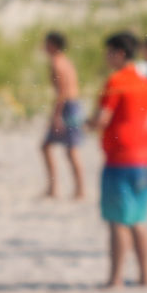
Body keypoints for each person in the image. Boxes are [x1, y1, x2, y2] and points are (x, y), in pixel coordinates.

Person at [86, 30, 147, 288]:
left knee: (117, 222)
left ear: (119, 53)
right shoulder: (144, 80)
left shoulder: (116, 81)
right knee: (137, 220)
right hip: (144, 157)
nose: (106, 57)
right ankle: (146, 276)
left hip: (120, 158)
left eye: (109, 52)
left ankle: (115, 278)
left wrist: (87, 124)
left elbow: (102, 118)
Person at [40, 30, 87, 200]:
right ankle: (74, 188)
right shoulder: (65, 61)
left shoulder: (56, 63)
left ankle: (59, 188)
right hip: (73, 104)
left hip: (67, 106)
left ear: (53, 45)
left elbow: (62, 92)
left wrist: (56, 115)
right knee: (67, 149)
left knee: (63, 148)